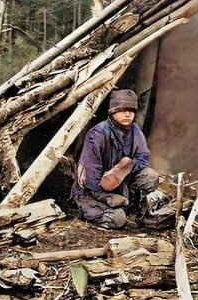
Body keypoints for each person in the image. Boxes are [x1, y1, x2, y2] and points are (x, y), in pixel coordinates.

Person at [72, 89, 171, 229]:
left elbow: (143, 159)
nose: (128, 114)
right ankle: (86, 211)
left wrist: (126, 168)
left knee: (150, 176)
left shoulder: (135, 131)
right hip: (91, 192)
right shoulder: (97, 134)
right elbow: (90, 179)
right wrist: (106, 197)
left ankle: (139, 211)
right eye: (122, 109)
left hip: (120, 186)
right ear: (112, 111)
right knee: (117, 220)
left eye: (131, 110)